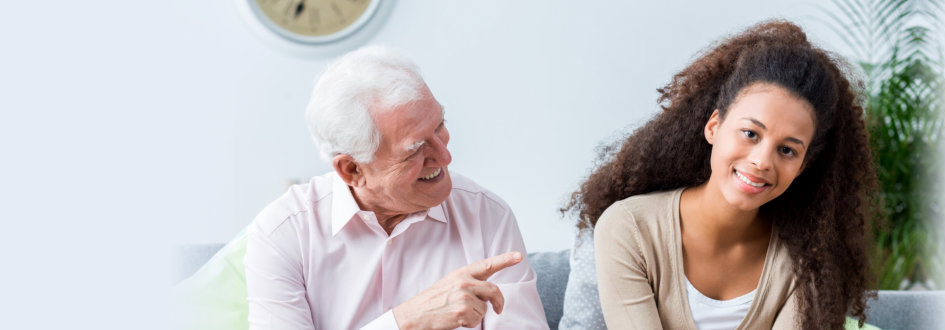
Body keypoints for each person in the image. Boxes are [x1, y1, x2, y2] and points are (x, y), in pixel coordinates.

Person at [563, 20, 879, 329]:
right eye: (750, 133)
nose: (762, 161)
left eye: (787, 150)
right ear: (714, 126)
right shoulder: (629, 228)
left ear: (802, 166)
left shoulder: (807, 262)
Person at [244, 46, 548, 330]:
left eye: (440, 126)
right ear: (352, 170)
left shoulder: (486, 215)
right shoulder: (284, 232)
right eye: (415, 149)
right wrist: (407, 320)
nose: (445, 156)